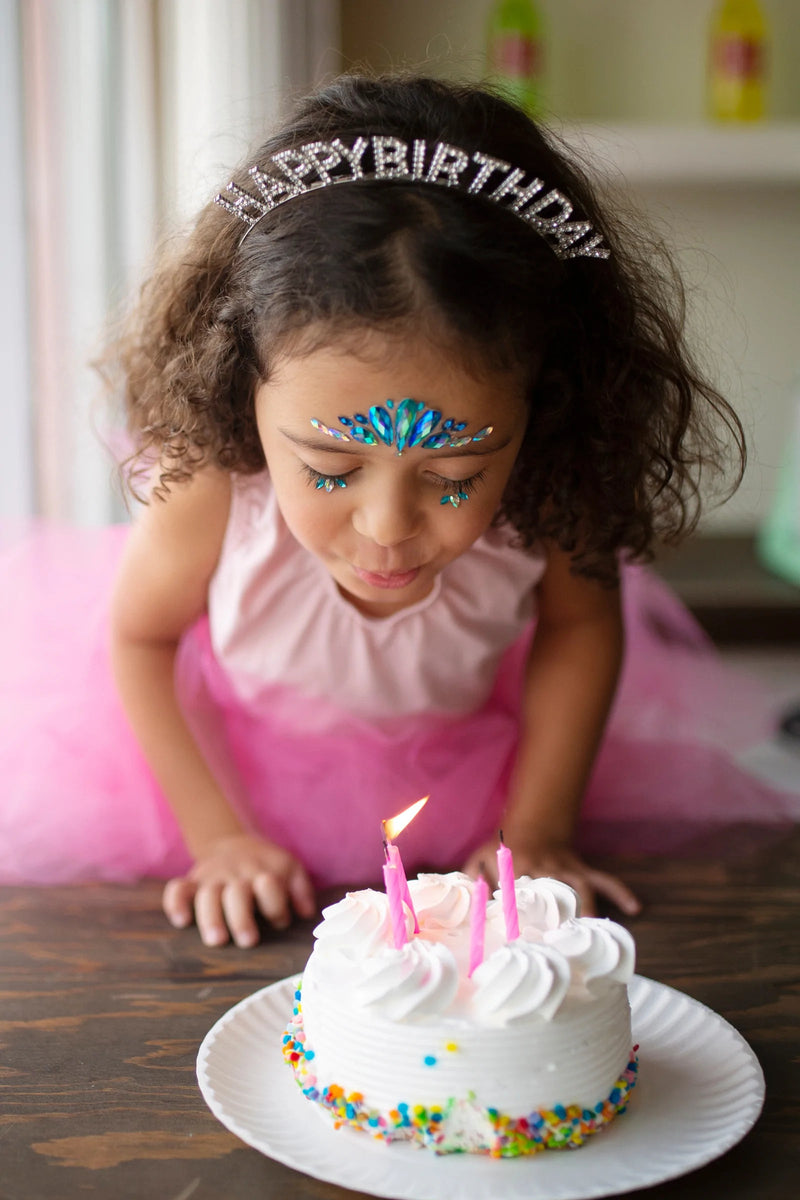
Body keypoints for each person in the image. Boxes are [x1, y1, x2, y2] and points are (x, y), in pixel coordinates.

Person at [1, 74, 793, 947]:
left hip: (470, 779)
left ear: (547, 401)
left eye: (454, 472)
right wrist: (218, 837)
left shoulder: (550, 494)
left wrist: (534, 833)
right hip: (228, 783)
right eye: (332, 468)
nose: (387, 526)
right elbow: (141, 638)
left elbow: (580, 628)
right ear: (242, 387)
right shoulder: (215, 489)